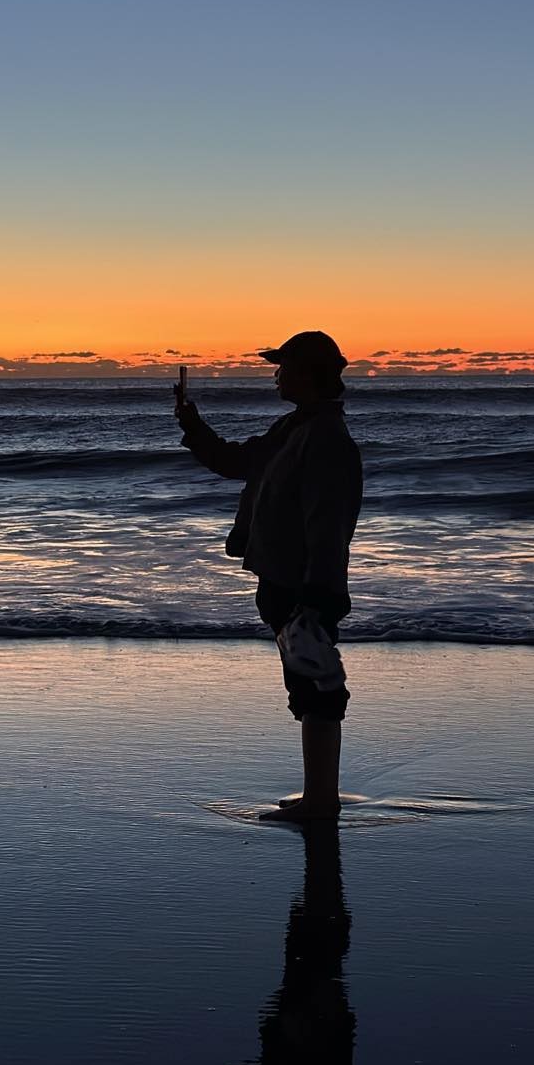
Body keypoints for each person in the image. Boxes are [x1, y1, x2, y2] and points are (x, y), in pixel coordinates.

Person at [174, 332, 363, 824]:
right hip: (286, 582)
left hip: (303, 587)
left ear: (308, 372)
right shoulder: (295, 428)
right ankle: (318, 795)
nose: (275, 374)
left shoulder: (322, 438)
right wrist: (192, 425)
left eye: (283, 366)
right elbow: (235, 462)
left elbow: (327, 527)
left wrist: (316, 598)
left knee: (317, 690)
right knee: (308, 688)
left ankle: (322, 800)